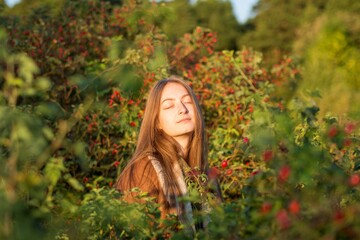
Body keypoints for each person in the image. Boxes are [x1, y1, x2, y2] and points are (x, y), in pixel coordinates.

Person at [114, 75, 222, 234]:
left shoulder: (206, 175)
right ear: (156, 122)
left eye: (187, 101)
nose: (182, 109)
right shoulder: (144, 170)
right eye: (169, 106)